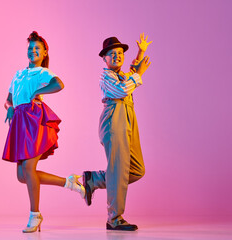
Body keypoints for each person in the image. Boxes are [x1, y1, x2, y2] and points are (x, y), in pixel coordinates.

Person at [2, 31, 85, 233]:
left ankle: (35, 215)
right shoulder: (18, 74)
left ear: (44, 52)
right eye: (30, 48)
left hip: (34, 120)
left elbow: (59, 84)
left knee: (29, 170)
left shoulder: (42, 73)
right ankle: (70, 183)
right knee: (22, 176)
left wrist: (38, 92)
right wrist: (9, 107)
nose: (33, 51)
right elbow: (8, 99)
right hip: (19, 122)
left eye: (37, 48)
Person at [83, 33, 152, 231]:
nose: (117, 56)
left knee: (136, 169)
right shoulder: (106, 76)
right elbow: (122, 90)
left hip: (129, 120)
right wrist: (139, 75)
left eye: (120, 53)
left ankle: (93, 179)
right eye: (112, 54)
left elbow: (133, 70)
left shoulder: (123, 75)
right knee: (118, 169)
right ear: (104, 59)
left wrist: (140, 52)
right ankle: (114, 218)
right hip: (114, 119)